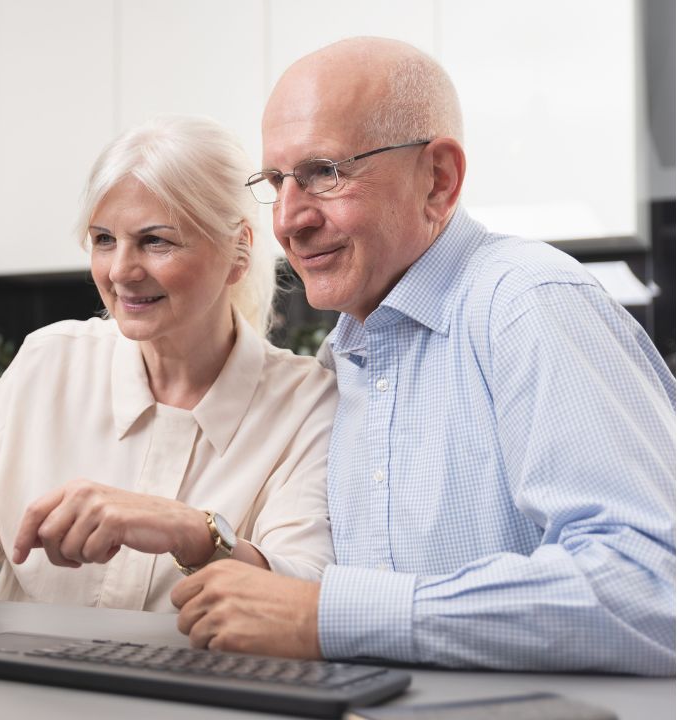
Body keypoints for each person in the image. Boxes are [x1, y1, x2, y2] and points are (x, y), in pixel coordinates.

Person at [171, 37, 676, 676]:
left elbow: (652, 588)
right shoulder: (342, 360)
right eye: (276, 181)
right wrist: (210, 545)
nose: (289, 220)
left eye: (325, 171)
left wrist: (328, 616)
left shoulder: (527, 303)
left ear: (438, 180)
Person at [0, 115, 338, 626]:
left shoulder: (305, 402)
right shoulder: (50, 359)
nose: (120, 271)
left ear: (238, 252)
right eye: (104, 239)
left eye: (156, 241)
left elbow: (303, 594)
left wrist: (190, 530)